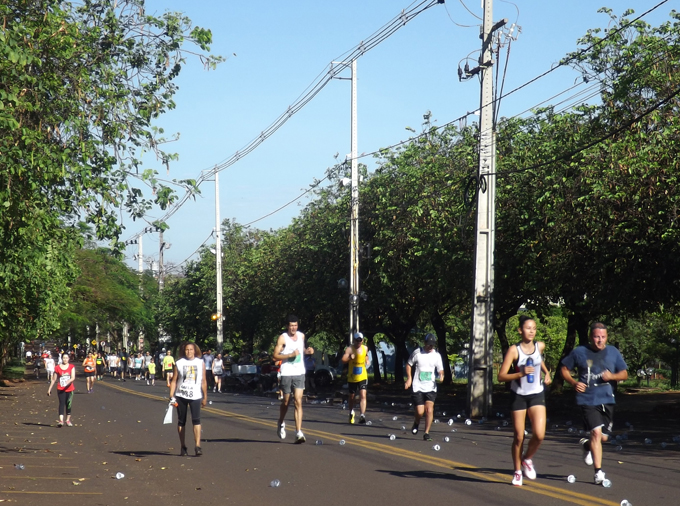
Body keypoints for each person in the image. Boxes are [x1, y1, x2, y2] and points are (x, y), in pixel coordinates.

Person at [560, 322, 628, 486]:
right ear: (591, 337)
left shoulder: (612, 352)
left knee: (603, 437)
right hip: (587, 399)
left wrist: (612, 377)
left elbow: (624, 374)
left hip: (607, 399)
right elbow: (564, 369)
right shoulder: (580, 352)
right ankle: (598, 473)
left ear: (607, 337)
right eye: (597, 337)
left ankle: (587, 446)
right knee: (596, 433)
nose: (600, 340)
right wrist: (573, 382)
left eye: (603, 337)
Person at [497, 315, 552, 487]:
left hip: (536, 394)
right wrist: (520, 373)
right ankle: (517, 471)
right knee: (519, 436)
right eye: (528, 328)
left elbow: (539, 360)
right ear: (520, 330)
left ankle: (527, 458)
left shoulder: (540, 346)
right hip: (518, 395)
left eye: (534, 328)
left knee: (539, 434)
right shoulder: (514, 350)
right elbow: (501, 376)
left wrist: (547, 373)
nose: (532, 331)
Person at [273, 314, 314, 443]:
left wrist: (308, 351)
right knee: (286, 401)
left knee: (298, 401)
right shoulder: (283, 338)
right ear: (287, 326)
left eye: (295, 325)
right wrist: (290, 355)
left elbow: (301, 350)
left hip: (299, 372)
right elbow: (275, 356)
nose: (293, 328)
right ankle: (281, 422)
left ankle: (298, 432)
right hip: (286, 372)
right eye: (291, 326)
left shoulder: (301, 336)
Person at [169, 342, 207, 456]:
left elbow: (203, 381)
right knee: (181, 421)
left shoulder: (200, 363)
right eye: (187, 350)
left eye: (191, 349)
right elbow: (174, 380)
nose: (189, 352)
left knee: (196, 420)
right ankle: (183, 446)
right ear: (183, 351)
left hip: (195, 395)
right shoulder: (179, 363)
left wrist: (205, 396)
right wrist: (171, 395)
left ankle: (198, 446)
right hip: (181, 395)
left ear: (195, 351)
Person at [405, 334, 444, 442]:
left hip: (431, 387)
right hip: (417, 386)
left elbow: (440, 369)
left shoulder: (437, 355)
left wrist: (441, 375)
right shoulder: (417, 353)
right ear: (424, 343)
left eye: (432, 345)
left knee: (429, 410)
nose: (430, 347)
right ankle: (416, 422)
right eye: (428, 344)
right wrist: (409, 378)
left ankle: (426, 433)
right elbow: (408, 364)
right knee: (420, 411)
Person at [342, 332, 370, 424]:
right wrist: (350, 357)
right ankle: (351, 412)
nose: (359, 342)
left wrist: (367, 360)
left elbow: (365, 355)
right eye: (357, 340)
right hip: (352, 377)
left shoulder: (365, 348)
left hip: (363, 376)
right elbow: (343, 360)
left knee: (363, 395)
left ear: (362, 340)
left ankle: (362, 415)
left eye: (360, 340)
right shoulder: (350, 349)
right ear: (354, 340)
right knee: (352, 396)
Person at [48, 352, 76, 427]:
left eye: (66, 358)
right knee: (61, 403)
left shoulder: (71, 367)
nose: (65, 359)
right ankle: (61, 421)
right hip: (61, 389)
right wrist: (49, 389)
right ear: (62, 358)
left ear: (68, 359)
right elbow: (54, 379)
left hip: (70, 389)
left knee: (68, 404)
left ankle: (68, 420)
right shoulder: (57, 367)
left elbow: (73, 377)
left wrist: (68, 381)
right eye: (64, 358)